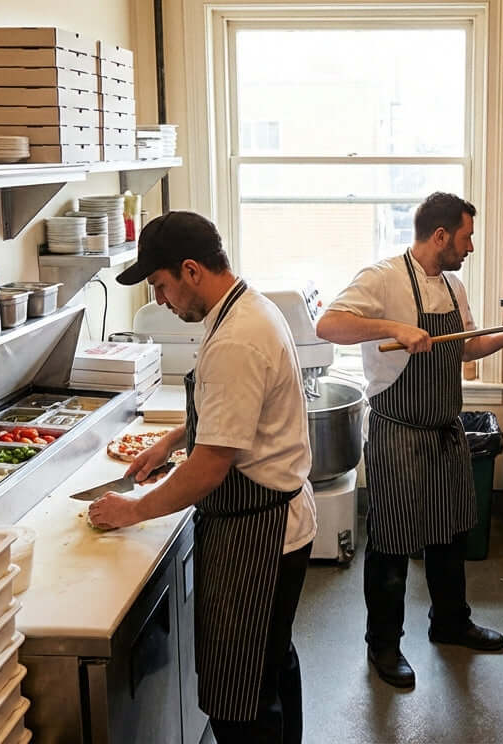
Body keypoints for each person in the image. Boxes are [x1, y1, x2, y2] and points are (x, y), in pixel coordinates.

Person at [88, 211, 318, 744]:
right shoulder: (242, 307)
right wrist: (170, 442)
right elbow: (226, 421)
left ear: (191, 270)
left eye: (162, 286)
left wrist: (133, 509)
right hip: (270, 521)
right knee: (271, 666)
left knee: (243, 700)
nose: (162, 301)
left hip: (259, 536)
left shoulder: (238, 338)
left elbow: (213, 465)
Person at [316, 192, 503, 689]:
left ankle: (450, 622)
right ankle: (383, 644)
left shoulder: (453, 286)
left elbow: (467, 347)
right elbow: (329, 324)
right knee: (391, 541)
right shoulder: (382, 278)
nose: (471, 246)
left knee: (449, 533)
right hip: (397, 432)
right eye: (467, 237)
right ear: (442, 235)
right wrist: (393, 328)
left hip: (445, 430)